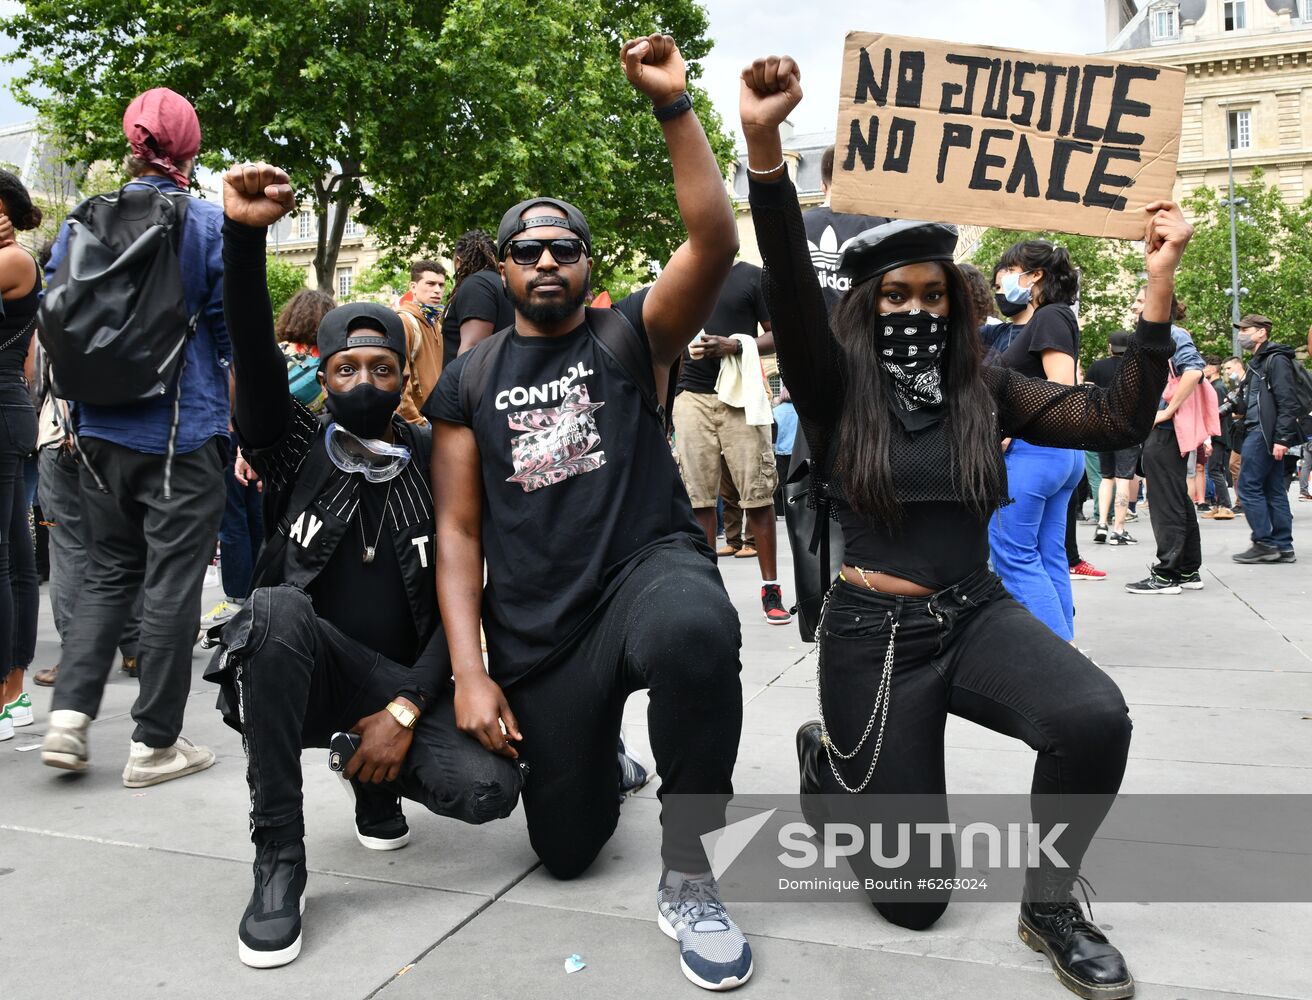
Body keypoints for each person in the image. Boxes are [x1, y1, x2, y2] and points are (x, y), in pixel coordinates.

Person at [740, 52, 1192, 1000]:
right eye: (894, 296)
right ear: (866, 307)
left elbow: (1111, 420)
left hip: (975, 614)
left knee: (1092, 716)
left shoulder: (984, 385)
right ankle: (831, 770)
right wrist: (767, 148)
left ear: (958, 304)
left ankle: (1053, 905)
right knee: (916, 899)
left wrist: (1158, 288)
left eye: (932, 294)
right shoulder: (832, 387)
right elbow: (786, 281)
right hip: (874, 637)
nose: (914, 309)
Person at [427, 35, 752, 991]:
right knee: (564, 849)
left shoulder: (630, 335)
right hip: (540, 629)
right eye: (526, 250)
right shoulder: (469, 380)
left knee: (697, 631)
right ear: (505, 267)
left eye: (565, 246)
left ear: (587, 261)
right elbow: (458, 530)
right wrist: (469, 675)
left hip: (645, 573)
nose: (545, 262)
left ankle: (691, 871)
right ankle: (597, 758)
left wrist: (672, 106)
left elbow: (716, 243)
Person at [212, 161, 524, 969]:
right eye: (345, 367)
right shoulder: (292, 447)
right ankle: (278, 858)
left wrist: (409, 711)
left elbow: (466, 597)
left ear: (400, 377)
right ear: (323, 372)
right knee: (275, 610)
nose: (362, 379)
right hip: (304, 668)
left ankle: (374, 772)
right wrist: (244, 239)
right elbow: (250, 346)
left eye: (380, 367)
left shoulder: (434, 457)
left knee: (490, 791)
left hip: (401, 679)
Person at [41, 89, 228, 784]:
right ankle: (154, 743)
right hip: (182, 431)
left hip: (94, 433)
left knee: (107, 572)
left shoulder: (81, 220)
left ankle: (69, 718)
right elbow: (227, 337)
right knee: (172, 582)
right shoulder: (205, 223)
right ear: (192, 147)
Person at [672, 258, 790, 624]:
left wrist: (735, 345)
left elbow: (778, 334)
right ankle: (709, 592)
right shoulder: (683, 271)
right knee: (698, 498)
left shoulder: (751, 276)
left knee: (757, 493)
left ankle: (771, 588)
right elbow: (665, 333)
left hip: (739, 397)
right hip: (690, 396)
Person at [988, 239, 1086, 640]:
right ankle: (1067, 651)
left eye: (1009, 273)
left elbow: (1060, 388)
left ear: (1034, 275)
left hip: (1033, 453)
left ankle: (1056, 659)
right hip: (1056, 455)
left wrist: (1009, 428)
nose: (1003, 285)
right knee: (1048, 556)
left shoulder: (1049, 317)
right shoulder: (1056, 317)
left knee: (1014, 555)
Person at [1124, 290, 1206, 595]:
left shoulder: (1172, 333)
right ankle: (1186, 569)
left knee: (1165, 501)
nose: (1134, 306)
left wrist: (1167, 411)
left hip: (1167, 429)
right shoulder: (1167, 334)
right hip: (1168, 429)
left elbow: (1194, 370)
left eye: (1140, 301)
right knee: (1175, 498)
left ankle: (1166, 575)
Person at [0, 171, 43, 739]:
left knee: (9, 557)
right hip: (10, 412)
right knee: (14, 552)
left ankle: (9, 690)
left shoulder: (15, 260)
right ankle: (14, 692)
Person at [1231, 314, 1299, 563]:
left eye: (1246, 329)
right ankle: (1283, 546)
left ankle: (1264, 542)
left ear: (1262, 332)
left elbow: (1287, 401)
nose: (1241, 334)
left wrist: (1281, 437)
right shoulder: (1257, 363)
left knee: (1248, 486)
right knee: (1273, 489)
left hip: (1263, 432)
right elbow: (1253, 401)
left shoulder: (1276, 360)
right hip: (1261, 431)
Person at [1086, 331, 1143, 544]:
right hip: (1127, 430)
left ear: (1110, 346)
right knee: (1123, 479)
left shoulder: (1096, 367)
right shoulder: (1136, 369)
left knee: (1106, 477)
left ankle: (1102, 524)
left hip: (1103, 429)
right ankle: (1119, 530)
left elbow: (1088, 398)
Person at [441, 229, 514, 367]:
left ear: (458, 260)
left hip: (472, 384)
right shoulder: (501, 283)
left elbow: (470, 351)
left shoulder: (476, 285)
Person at [395, 259, 446, 424]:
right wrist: (417, 424)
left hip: (435, 419)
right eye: (430, 284)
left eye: (441, 285)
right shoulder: (404, 321)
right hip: (416, 425)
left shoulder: (435, 323)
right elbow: (400, 382)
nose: (437, 290)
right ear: (413, 287)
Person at [1199, 355, 1236, 520]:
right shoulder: (1215, 386)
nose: (1203, 370)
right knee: (1214, 469)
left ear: (1213, 368)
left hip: (1217, 434)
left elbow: (1217, 413)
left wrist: (1209, 436)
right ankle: (1217, 504)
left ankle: (1225, 505)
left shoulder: (1218, 387)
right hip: (1216, 433)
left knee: (1215, 470)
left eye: (1205, 366)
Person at [773, 386, 797, 516]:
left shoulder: (776, 411)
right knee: (796, 480)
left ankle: (780, 509)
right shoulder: (799, 412)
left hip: (781, 451)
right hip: (796, 450)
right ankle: (795, 507)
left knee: (780, 481)